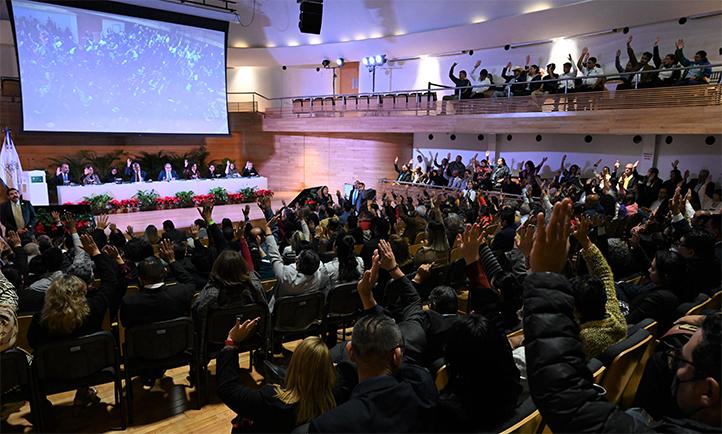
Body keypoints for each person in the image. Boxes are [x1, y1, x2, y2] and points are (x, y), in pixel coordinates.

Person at [523, 198, 722, 433]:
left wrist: (544, 275)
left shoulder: (588, 336)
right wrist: (586, 243)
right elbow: (606, 277)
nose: (672, 367)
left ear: (708, 392)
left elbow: (565, 397)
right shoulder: (615, 318)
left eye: (679, 360)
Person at [308, 242, 438, 433]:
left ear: (351, 352)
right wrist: (393, 268)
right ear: (397, 355)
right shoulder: (424, 387)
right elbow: (412, 300)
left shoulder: (326, 425)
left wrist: (366, 294)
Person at [26, 235, 123, 410]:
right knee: (81, 351)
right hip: (95, 365)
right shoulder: (94, 308)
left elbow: (33, 343)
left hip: (55, 373)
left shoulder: (42, 318)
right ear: (83, 291)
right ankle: (82, 391)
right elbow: (111, 281)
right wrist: (95, 252)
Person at [217, 322, 337, 433]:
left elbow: (227, 388)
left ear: (294, 365)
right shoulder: (336, 397)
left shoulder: (273, 401)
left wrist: (232, 342)